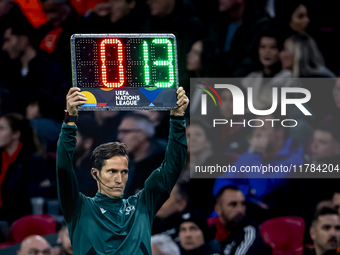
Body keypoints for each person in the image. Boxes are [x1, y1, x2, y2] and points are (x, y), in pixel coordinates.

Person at [56, 86, 188, 254]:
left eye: (123, 172)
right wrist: (70, 119)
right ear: (95, 174)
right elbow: (63, 168)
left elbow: (173, 166)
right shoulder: (79, 207)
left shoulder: (142, 205)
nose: (119, 179)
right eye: (112, 171)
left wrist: (177, 119)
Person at [213, 113, 304, 217]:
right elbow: (221, 181)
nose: (257, 133)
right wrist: (241, 193)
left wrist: (255, 154)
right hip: (240, 208)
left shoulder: (293, 160)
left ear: (279, 131)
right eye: (255, 128)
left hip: (264, 217)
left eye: (263, 128)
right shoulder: (252, 153)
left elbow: (261, 189)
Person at [0, 113, 47, 223]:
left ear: (16, 134)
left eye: (1, 128)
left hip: (16, 220)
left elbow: (22, 200)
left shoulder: (32, 161)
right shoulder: (2, 157)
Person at [117, 113, 166, 197]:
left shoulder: (164, 163)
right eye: (119, 132)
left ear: (142, 134)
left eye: (125, 132)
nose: (119, 137)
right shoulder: (121, 163)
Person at [211, 186, 271, 255]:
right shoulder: (211, 232)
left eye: (243, 204)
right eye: (233, 204)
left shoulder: (249, 231)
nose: (240, 209)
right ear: (218, 209)